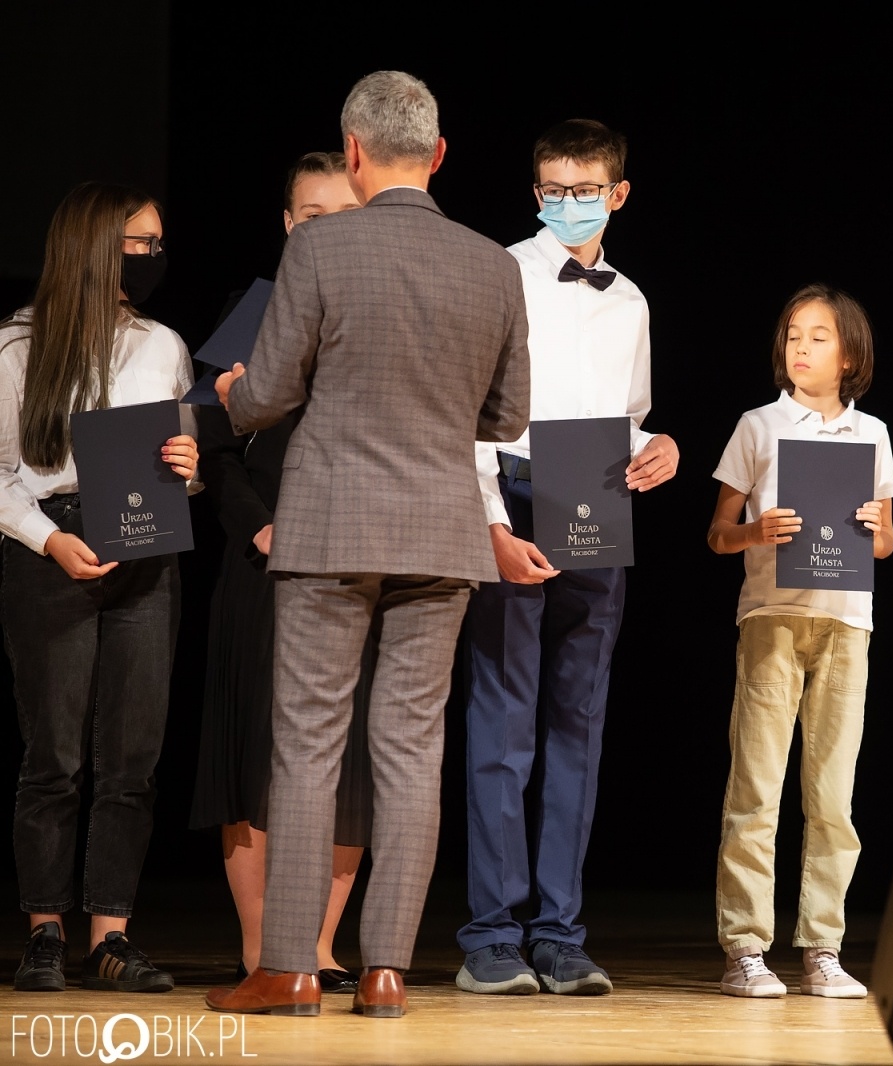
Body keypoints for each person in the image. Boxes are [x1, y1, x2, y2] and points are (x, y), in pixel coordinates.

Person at [205, 70, 531, 1019]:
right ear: (437, 156)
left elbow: (264, 396)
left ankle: (291, 967)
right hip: (440, 529)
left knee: (307, 745)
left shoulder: (320, 247)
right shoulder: (492, 263)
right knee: (411, 748)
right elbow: (506, 413)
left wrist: (232, 397)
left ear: (351, 154)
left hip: (332, 521)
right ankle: (384, 967)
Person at [455, 118, 677, 998]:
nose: (569, 202)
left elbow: (630, 415)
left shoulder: (631, 301)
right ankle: (491, 934)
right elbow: (469, 407)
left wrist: (657, 447)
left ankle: (560, 932)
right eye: (554, 187)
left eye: (586, 189)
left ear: (618, 195)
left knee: (578, 723)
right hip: (512, 489)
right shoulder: (501, 272)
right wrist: (489, 525)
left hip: (595, 497)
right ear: (534, 190)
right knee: (502, 721)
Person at [1, 182, 198, 992]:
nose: (153, 257)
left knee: (131, 757)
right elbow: (4, 475)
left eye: (157, 244)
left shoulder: (162, 345)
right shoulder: (18, 345)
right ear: (94, 246)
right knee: (53, 754)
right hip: (55, 546)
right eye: (140, 242)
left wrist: (187, 473)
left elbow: (180, 469)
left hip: (146, 558)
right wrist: (51, 539)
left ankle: (109, 932)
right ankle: (46, 925)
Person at [188, 152, 368, 994]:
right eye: (311, 215)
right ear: (289, 225)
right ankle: (265, 951)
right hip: (261, 567)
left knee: (353, 761)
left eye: (343, 213)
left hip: (355, 562)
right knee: (254, 752)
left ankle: (324, 947)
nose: (325, 228)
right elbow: (212, 456)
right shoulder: (249, 315)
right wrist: (259, 530)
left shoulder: (380, 313)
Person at [706, 284, 893, 998]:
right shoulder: (758, 425)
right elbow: (717, 533)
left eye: (818, 337)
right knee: (756, 786)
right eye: (793, 335)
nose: (802, 348)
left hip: (847, 625)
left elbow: (885, 543)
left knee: (833, 794)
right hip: (772, 618)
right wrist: (758, 531)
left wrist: (875, 527)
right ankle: (746, 947)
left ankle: (823, 945)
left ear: (849, 355)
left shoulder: (871, 433)